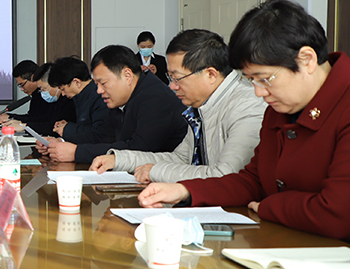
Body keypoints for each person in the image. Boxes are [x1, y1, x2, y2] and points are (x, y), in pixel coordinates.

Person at [138, 0, 350, 247]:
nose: (259, 92)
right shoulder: (279, 108)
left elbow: (338, 215)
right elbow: (253, 180)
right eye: (251, 80)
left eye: (264, 78)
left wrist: (269, 206)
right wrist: (186, 191)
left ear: (307, 60)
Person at [90, 29, 265, 183]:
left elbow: (226, 176)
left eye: (177, 78)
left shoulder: (247, 105)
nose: (172, 86)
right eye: (170, 77)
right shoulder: (201, 105)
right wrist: (118, 159)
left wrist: (155, 171)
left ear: (211, 74)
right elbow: (180, 158)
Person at [38, 45, 188, 163]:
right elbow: (101, 135)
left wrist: (76, 153)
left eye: (103, 83)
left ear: (127, 75)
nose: (99, 90)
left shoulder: (155, 98)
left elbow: (138, 150)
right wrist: (61, 143)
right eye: (97, 84)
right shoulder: (124, 99)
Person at [47, 56, 113, 145]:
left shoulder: (99, 97)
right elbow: (86, 125)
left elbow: (99, 134)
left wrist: (68, 129)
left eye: (63, 89)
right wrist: (67, 126)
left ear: (77, 82)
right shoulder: (81, 96)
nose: (63, 94)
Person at [2, 62, 76, 135]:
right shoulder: (55, 98)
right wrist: (20, 123)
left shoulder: (70, 99)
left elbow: (52, 126)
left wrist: (25, 126)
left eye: (42, 89)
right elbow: (45, 119)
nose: (42, 93)